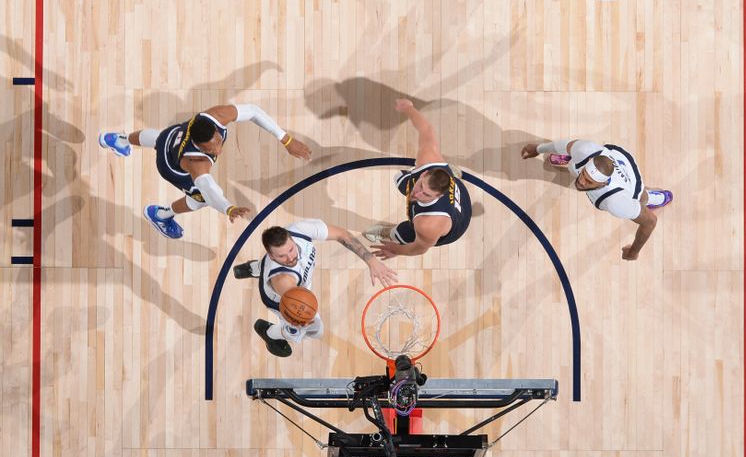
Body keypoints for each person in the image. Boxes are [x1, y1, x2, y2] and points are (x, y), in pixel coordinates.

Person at [99, 104, 312, 239]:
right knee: (200, 199)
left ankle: (117, 139)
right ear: (199, 146)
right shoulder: (197, 163)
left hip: (171, 136)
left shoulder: (215, 116)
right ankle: (160, 215)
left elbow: (254, 111)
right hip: (170, 166)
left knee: (159, 137)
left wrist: (286, 139)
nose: (218, 149)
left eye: (218, 142)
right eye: (212, 149)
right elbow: (211, 192)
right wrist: (228, 208)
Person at [234, 218, 398, 357]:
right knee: (315, 331)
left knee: (271, 266)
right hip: (280, 300)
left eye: (290, 249)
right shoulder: (282, 278)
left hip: (293, 284)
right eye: (281, 256)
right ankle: (269, 333)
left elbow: (342, 234)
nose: (290, 257)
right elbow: (295, 301)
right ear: (271, 255)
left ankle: (256, 267)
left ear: (290, 237)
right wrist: (300, 318)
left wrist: (372, 261)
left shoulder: (300, 230)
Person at [521, 139, 673, 261]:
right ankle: (569, 160)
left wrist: (633, 252)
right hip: (611, 153)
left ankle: (659, 197)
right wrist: (538, 148)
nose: (581, 182)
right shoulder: (585, 150)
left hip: (627, 169)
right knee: (574, 166)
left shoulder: (616, 202)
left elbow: (650, 222)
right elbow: (563, 144)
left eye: (589, 181)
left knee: (640, 196)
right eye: (584, 175)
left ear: (603, 183)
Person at [365, 99, 472, 258]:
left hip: (456, 223)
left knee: (401, 234)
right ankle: (452, 175)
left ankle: (388, 232)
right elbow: (426, 130)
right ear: (423, 174)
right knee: (399, 178)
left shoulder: (428, 224)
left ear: (439, 195)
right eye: (421, 185)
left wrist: (396, 250)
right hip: (453, 193)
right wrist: (409, 108)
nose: (417, 194)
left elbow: (418, 249)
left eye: (426, 195)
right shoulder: (428, 159)